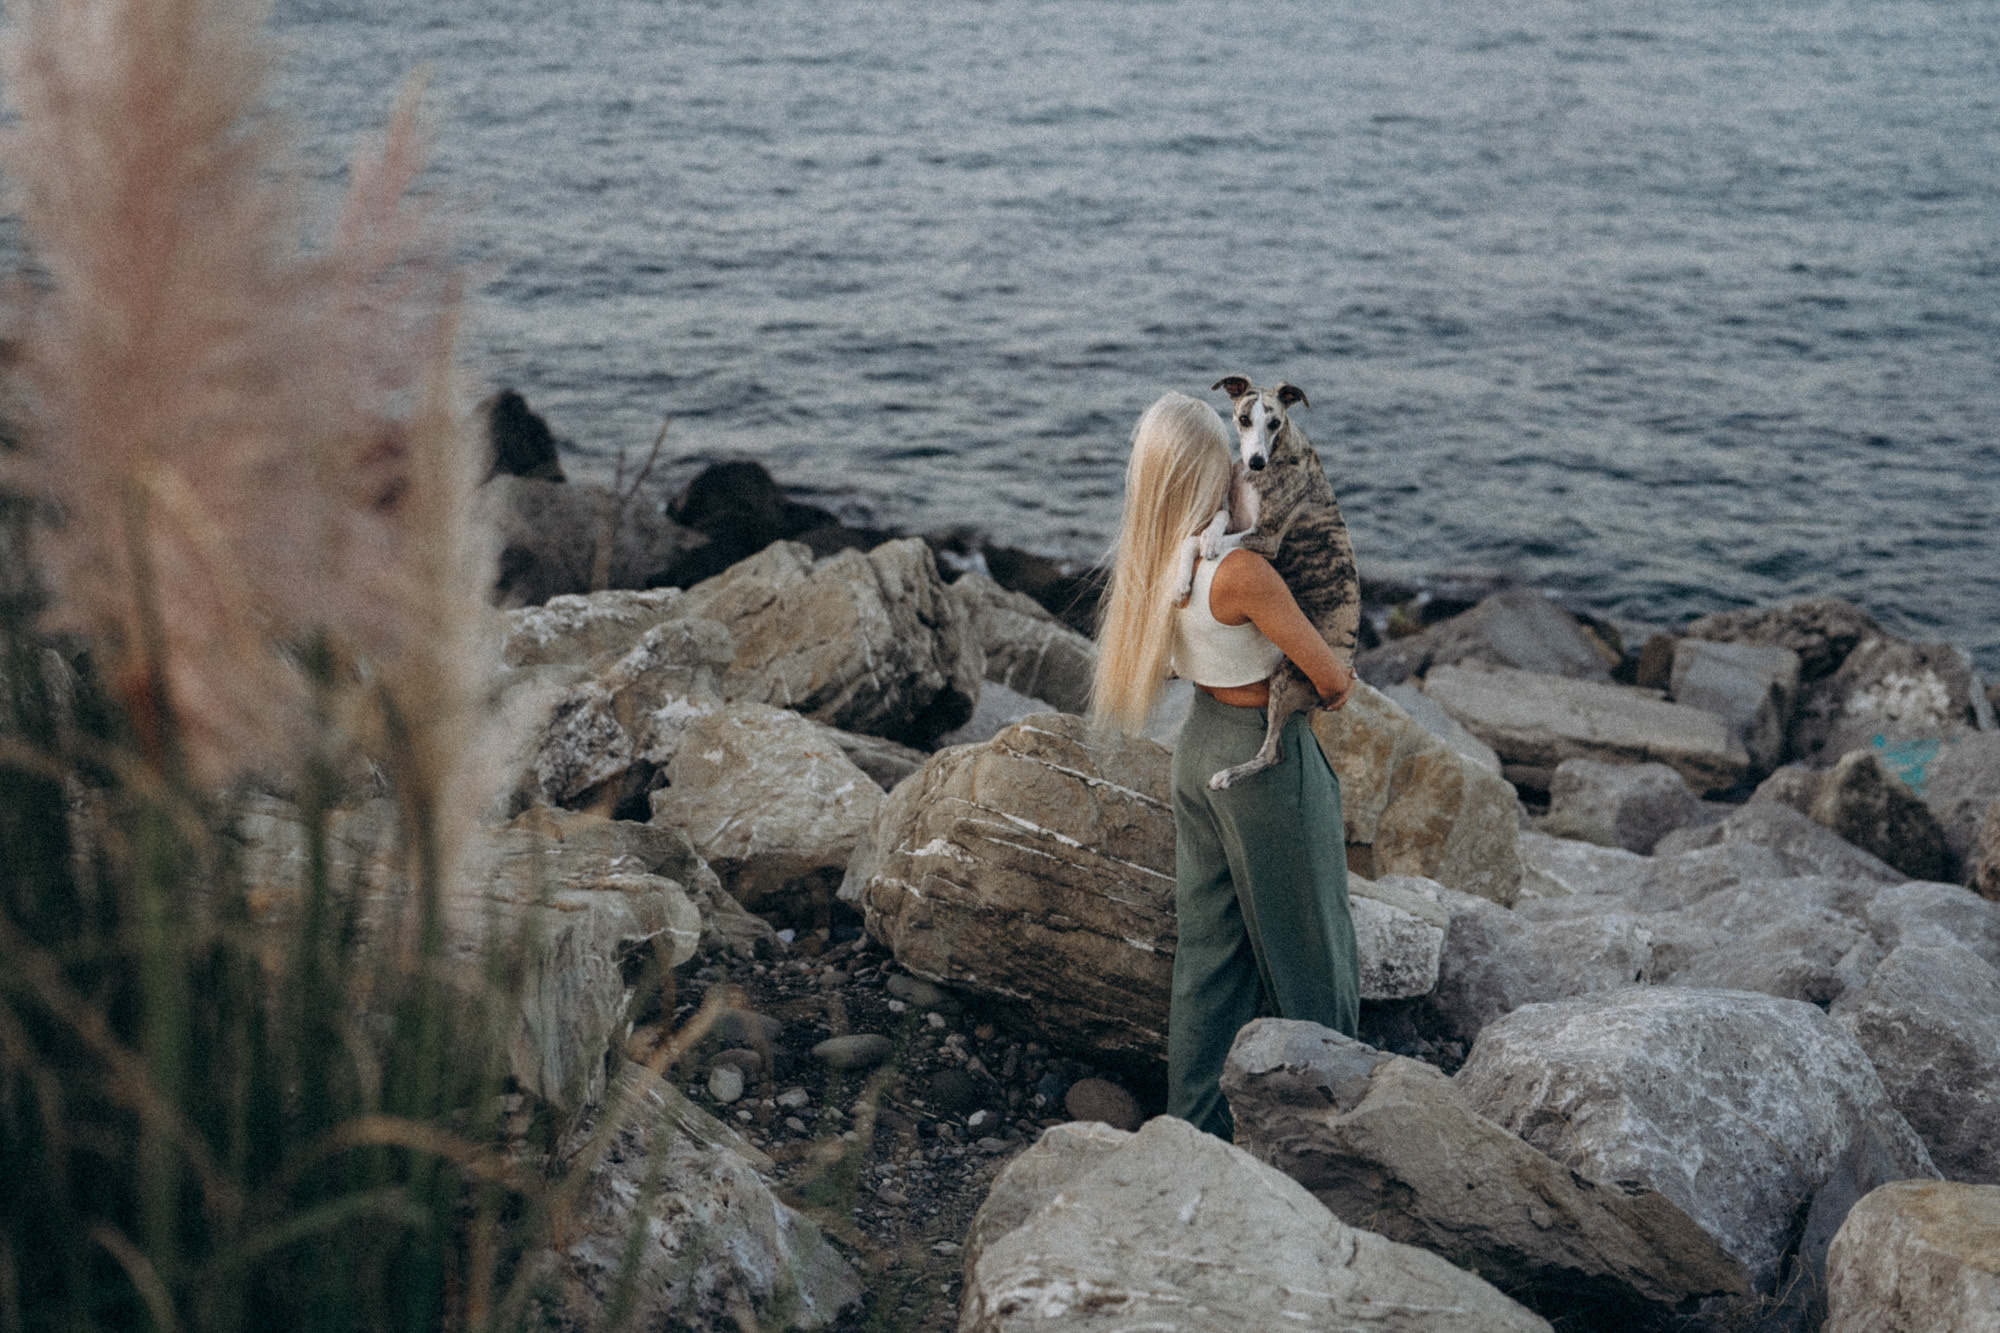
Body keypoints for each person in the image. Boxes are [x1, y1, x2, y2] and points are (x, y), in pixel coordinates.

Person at [1091, 390, 1360, 1141]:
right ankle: (1336, 1136)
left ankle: (1192, 1131)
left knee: (1209, 965)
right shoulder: (1241, 575)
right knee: (1311, 956)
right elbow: (1334, 684)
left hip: (1199, 745)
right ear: (1208, 468)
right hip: (1262, 761)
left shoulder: (1154, 559)